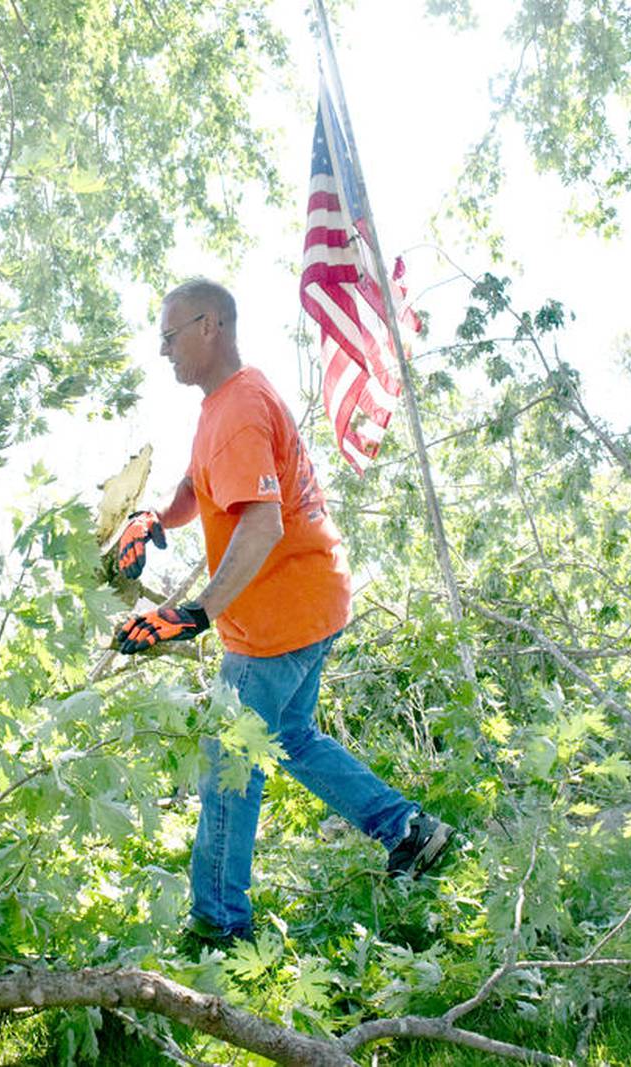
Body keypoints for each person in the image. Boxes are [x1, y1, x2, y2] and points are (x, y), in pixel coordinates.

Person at [112, 278, 454, 945]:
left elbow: (261, 524)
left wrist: (196, 613)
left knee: (229, 765)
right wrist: (157, 517)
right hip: (313, 600)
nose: (163, 351)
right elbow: (197, 485)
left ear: (210, 326)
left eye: (170, 335)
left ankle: (217, 927)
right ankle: (410, 830)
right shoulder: (226, 401)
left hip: (276, 622)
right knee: (291, 736)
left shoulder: (239, 410)